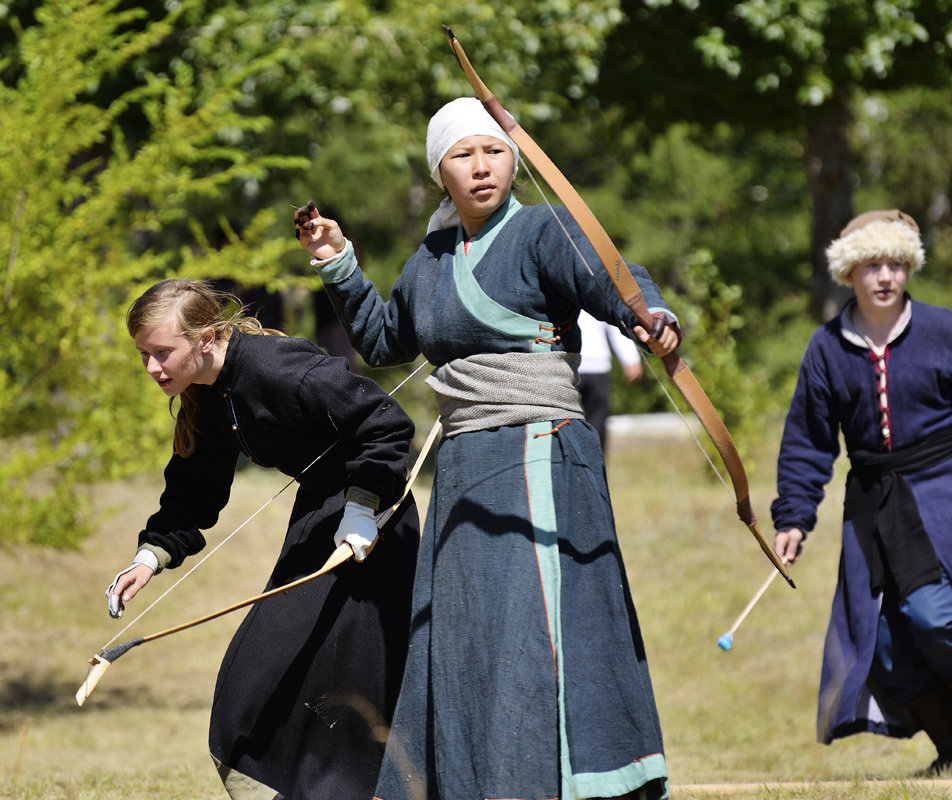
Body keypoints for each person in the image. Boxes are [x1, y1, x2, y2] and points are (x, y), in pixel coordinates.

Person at [294, 96, 679, 800]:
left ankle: (566, 783)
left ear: (514, 159)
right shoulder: (431, 260)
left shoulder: (542, 231)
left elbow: (615, 278)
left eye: (494, 151)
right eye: (463, 155)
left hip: (541, 455)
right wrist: (339, 263)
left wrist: (648, 318)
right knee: (467, 633)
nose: (482, 167)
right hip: (467, 467)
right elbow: (383, 342)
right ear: (440, 170)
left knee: (534, 628)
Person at [104, 279, 420, 799]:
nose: (152, 368)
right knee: (257, 692)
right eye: (143, 354)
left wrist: (362, 507)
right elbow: (195, 488)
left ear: (206, 337)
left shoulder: (277, 367)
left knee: (300, 683)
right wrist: (149, 556)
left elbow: (385, 422)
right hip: (321, 518)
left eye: (162, 353)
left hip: (372, 526)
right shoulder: (205, 393)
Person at [769, 210, 952, 777]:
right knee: (880, 641)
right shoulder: (825, 350)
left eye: (895, 262)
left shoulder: (949, 332)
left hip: (943, 491)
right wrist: (794, 517)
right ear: (849, 274)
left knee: (935, 614)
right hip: (869, 502)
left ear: (909, 265)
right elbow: (808, 442)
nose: (885, 276)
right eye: (871, 264)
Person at [577, 309, 643, 451]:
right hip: (565, 368)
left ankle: (597, 471)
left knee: (598, 428)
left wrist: (630, 358)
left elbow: (612, 321)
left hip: (598, 367)